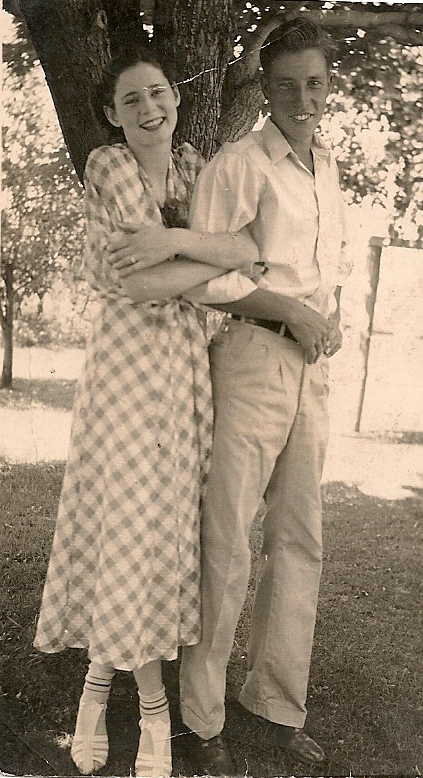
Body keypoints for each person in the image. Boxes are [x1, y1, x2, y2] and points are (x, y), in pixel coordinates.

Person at [33, 41, 261, 778]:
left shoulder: (198, 167)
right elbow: (136, 281)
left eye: (157, 92)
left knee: (164, 534)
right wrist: (208, 257)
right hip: (127, 375)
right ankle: (147, 710)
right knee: (125, 527)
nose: (149, 108)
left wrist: (183, 249)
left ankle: (98, 690)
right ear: (111, 114)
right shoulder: (108, 166)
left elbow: (245, 247)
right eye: (131, 99)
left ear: (177, 96)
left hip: (186, 376)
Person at [174, 17, 352, 774]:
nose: (302, 100)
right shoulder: (239, 164)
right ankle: (201, 720)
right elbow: (203, 278)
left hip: (309, 369)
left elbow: (323, 267)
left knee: (299, 540)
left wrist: (327, 317)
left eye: (314, 84)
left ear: (328, 84)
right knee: (226, 542)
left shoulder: (327, 166)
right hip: (250, 360)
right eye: (286, 86)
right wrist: (290, 311)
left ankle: (276, 705)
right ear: (266, 88)